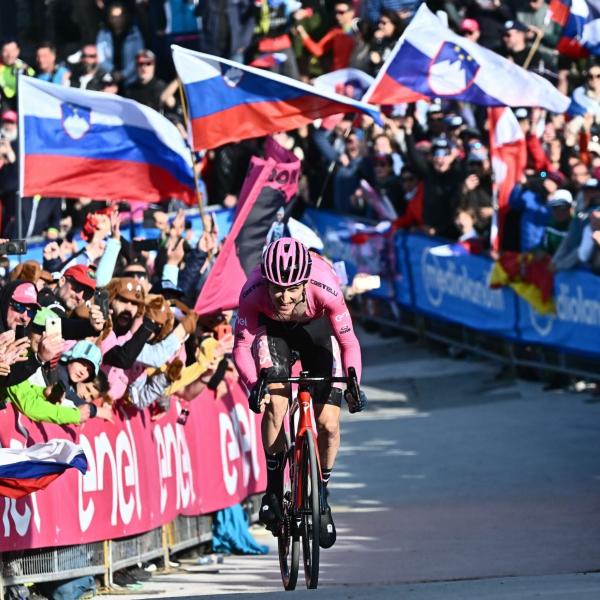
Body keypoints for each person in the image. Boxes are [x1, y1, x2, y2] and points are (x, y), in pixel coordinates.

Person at [233, 237, 367, 549]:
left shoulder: (325, 286)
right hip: (275, 334)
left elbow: (348, 343)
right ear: (265, 280)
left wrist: (354, 385)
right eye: (276, 287)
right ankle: (274, 490)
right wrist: (255, 386)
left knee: (329, 424)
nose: (283, 295)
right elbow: (241, 347)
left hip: (316, 333)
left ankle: (322, 494)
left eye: (292, 288)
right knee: (276, 405)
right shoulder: (253, 291)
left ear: (305, 281)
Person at [295, 1, 358, 72]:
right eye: (336, 12)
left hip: (357, 75)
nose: (337, 16)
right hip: (337, 75)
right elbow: (318, 51)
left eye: (341, 12)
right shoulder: (335, 32)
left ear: (352, 13)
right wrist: (303, 33)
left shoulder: (360, 31)